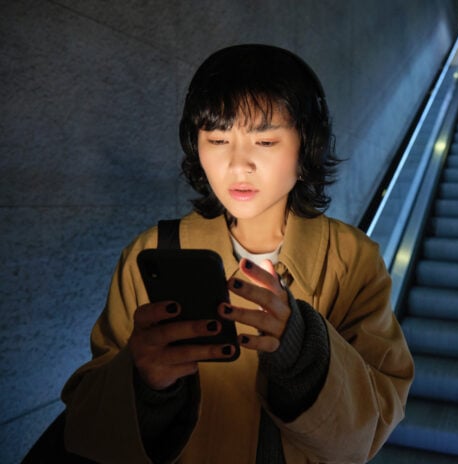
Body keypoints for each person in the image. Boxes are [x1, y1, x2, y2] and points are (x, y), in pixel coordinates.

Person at [60, 44, 414, 463]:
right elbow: (88, 422)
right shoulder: (151, 254)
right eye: (217, 139)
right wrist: (143, 384)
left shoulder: (352, 260)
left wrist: (302, 352)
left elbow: (371, 426)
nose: (238, 164)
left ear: (306, 148)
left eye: (265, 140)